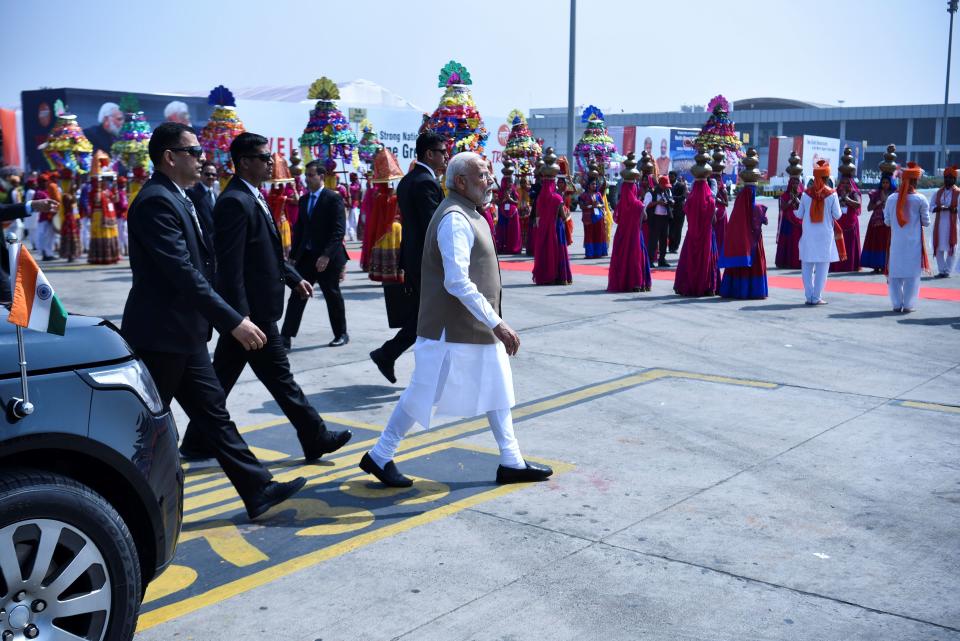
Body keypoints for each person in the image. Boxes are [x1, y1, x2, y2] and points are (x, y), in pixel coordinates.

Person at [120, 122, 305, 520]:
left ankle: (258, 489)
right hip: (162, 335)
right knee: (147, 430)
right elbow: (183, 273)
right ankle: (116, 502)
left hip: (184, 334)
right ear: (170, 157)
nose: (204, 158)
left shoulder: (179, 196)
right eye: (194, 152)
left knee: (215, 417)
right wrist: (233, 320)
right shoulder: (156, 201)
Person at [358, 151, 552, 487]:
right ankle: (379, 455)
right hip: (450, 330)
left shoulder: (469, 213)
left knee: (498, 388)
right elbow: (456, 280)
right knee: (423, 394)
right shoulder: (454, 219)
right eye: (481, 174)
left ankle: (511, 460)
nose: (488, 178)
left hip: (472, 327)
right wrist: (496, 322)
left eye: (488, 172)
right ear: (460, 181)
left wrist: (491, 321)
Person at [178, 132, 353, 462]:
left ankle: (197, 441)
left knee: (225, 381)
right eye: (264, 157)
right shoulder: (234, 202)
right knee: (278, 379)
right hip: (252, 313)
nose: (271, 162)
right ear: (244, 162)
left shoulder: (253, 196)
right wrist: (239, 319)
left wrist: (293, 277)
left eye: (270, 157)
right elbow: (231, 266)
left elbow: (265, 252)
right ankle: (314, 437)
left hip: (254, 311)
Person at [370, 132, 447, 384]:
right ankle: (397, 358)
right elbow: (432, 225)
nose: (446, 156)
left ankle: (388, 354)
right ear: (429, 154)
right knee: (432, 315)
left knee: (423, 315)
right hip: (426, 261)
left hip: (414, 258)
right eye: (442, 152)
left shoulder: (408, 180)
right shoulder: (426, 181)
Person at [280, 161, 349, 349]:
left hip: (329, 258)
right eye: (306, 175)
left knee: (332, 295)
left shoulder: (333, 198)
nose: (307, 179)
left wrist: (326, 256)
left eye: (311, 175)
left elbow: (338, 231)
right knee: (298, 293)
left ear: (322, 176)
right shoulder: (303, 200)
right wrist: (293, 256)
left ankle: (341, 333)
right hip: (307, 257)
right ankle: (285, 336)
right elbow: (300, 230)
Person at [718, 150, 768, 299]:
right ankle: (751, 290)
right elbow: (753, 215)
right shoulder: (746, 197)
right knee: (753, 261)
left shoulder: (741, 197)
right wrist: (760, 214)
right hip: (752, 236)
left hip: (744, 236)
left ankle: (736, 289)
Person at [884, 162, 930, 312]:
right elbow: (926, 222)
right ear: (915, 181)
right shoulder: (921, 199)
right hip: (914, 244)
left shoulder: (891, 198)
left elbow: (887, 222)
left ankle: (896, 304)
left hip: (896, 242)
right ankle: (909, 305)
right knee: (912, 275)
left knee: (895, 274)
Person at [797, 160, 842, 305]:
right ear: (826, 178)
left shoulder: (805, 195)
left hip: (808, 235)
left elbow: (799, 215)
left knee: (807, 266)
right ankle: (816, 297)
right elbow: (838, 215)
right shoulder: (832, 195)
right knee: (822, 268)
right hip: (825, 236)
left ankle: (809, 296)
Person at [674, 153, 719, 296]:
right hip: (706, 234)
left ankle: (687, 284)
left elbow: (686, 210)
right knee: (706, 257)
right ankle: (707, 285)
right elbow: (713, 219)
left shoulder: (691, 199)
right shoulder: (710, 200)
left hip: (692, 232)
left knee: (689, 258)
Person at [607, 153, 651, 292]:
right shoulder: (638, 204)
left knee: (622, 257)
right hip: (635, 235)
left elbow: (617, 218)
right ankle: (636, 282)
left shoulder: (621, 203)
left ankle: (623, 281)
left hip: (622, 233)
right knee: (635, 258)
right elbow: (645, 218)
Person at [531, 150, 573, 285]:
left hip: (543, 229)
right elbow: (563, 215)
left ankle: (545, 275)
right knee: (557, 251)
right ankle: (559, 276)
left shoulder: (540, 197)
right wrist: (567, 213)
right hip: (557, 229)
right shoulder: (557, 198)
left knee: (544, 251)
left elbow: (537, 216)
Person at [830, 151, 862, 273]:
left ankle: (850, 265)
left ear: (851, 184)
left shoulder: (854, 193)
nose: (844, 185)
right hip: (838, 223)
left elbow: (858, 204)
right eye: (842, 183)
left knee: (849, 244)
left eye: (846, 183)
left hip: (850, 222)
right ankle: (836, 265)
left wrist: (846, 199)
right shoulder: (834, 193)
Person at [861, 173, 895, 273]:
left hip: (888, 222)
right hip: (876, 222)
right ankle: (875, 265)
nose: (885, 184)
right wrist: (878, 203)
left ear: (890, 183)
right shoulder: (875, 194)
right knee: (875, 243)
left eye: (887, 182)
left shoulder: (894, 194)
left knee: (887, 243)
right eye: (883, 182)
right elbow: (868, 208)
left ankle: (886, 265)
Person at [930, 165, 959, 278]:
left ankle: (947, 271)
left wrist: (954, 209)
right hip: (939, 224)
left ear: (955, 179)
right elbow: (931, 206)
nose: (949, 180)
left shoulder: (958, 193)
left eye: (951, 178)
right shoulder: (938, 192)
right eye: (947, 177)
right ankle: (942, 270)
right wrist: (939, 208)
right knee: (937, 246)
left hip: (953, 224)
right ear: (944, 178)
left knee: (952, 247)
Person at [775, 159, 804, 269]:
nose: (795, 184)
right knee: (787, 240)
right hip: (788, 220)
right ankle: (785, 261)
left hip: (799, 220)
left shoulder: (803, 195)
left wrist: (796, 199)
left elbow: (804, 207)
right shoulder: (784, 195)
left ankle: (799, 261)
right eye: (793, 182)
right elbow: (783, 207)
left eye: (797, 182)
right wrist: (791, 200)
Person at [494, 160, 523, 254]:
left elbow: (517, 202)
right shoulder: (501, 191)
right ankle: (502, 246)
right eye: (506, 181)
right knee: (502, 229)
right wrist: (504, 200)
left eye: (510, 182)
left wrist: (510, 199)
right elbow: (498, 203)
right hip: (503, 213)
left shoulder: (514, 191)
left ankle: (512, 247)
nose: (508, 183)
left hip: (512, 214)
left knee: (512, 231)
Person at [646, 175, 674, 267]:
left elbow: (671, 200)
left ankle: (662, 259)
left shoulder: (667, 191)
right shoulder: (651, 192)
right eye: (665, 185)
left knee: (664, 240)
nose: (666, 187)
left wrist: (671, 202)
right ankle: (650, 260)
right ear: (660, 184)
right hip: (655, 219)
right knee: (653, 241)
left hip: (665, 218)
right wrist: (658, 203)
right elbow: (646, 205)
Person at [579, 169, 607, 258]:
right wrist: (590, 206)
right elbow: (581, 206)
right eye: (592, 184)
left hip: (598, 217)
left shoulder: (598, 194)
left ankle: (598, 253)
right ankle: (589, 253)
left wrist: (598, 205)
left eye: (595, 184)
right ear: (588, 185)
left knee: (598, 234)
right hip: (588, 218)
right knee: (589, 235)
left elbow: (603, 205)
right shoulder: (583, 195)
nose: (594, 186)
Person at [187, 161, 219, 232]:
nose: (211, 177)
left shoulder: (215, 194)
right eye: (207, 174)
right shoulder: (191, 192)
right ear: (200, 174)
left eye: (213, 174)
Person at [667, 171, 688, 253]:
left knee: (678, 230)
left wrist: (672, 198)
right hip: (669, 211)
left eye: (672, 177)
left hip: (679, 211)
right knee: (670, 230)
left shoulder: (681, 185)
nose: (670, 178)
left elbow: (683, 197)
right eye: (669, 176)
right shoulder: (667, 186)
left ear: (675, 177)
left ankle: (675, 247)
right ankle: (670, 246)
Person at [347, 172, 362, 242]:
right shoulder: (349, 186)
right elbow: (349, 195)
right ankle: (351, 235)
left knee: (356, 220)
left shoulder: (359, 185)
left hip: (357, 204)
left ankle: (358, 234)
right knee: (351, 221)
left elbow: (360, 194)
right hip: (352, 204)